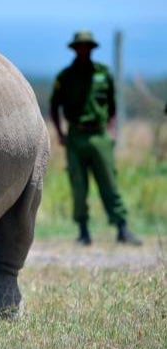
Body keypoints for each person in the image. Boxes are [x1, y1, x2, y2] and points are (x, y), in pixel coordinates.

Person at [50, 30, 142, 246]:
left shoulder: (102, 73)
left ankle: (122, 228)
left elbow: (112, 105)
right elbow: (54, 108)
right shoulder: (65, 76)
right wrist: (60, 133)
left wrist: (111, 130)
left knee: (109, 183)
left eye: (87, 47)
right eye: (80, 46)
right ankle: (83, 232)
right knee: (78, 186)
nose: (84, 50)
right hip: (76, 136)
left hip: (100, 136)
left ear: (92, 49)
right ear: (75, 49)